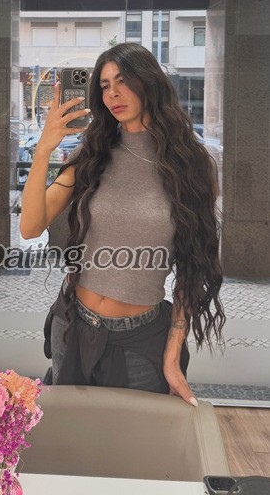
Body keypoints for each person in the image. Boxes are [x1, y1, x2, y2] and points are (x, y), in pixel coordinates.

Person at [20, 43, 225, 405]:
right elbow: (30, 227)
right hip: (74, 326)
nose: (113, 93)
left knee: (133, 440)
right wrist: (43, 150)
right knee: (69, 435)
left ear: (149, 82)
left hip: (140, 340)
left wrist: (172, 354)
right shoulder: (91, 155)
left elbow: (193, 267)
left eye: (123, 81)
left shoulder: (194, 165)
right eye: (104, 85)